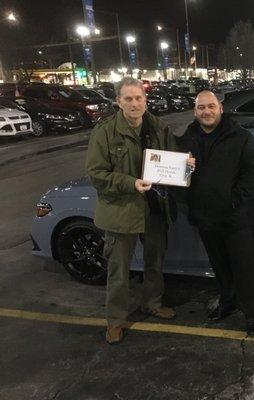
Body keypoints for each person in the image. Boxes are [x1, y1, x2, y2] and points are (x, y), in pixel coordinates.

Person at [86, 77, 195, 344]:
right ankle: (115, 320)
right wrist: (130, 183)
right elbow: (96, 174)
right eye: (128, 99)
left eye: (138, 98)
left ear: (145, 100)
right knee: (118, 270)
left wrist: (186, 166)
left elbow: (172, 159)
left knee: (154, 262)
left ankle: (152, 303)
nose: (134, 104)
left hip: (155, 207)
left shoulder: (158, 126)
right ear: (118, 102)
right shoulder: (105, 132)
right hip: (121, 210)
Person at [178, 90, 254, 336]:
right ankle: (227, 302)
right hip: (205, 219)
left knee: (244, 268)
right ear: (195, 111)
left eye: (211, 106)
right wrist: (188, 196)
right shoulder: (188, 139)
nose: (206, 111)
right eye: (201, 107)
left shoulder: (240, 137)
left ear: (220, 108)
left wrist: (234, 200)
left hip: (235, 219)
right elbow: (177, 176)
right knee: (220, 267)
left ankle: (251, 315)